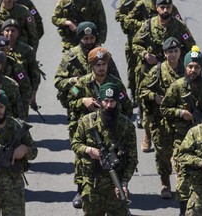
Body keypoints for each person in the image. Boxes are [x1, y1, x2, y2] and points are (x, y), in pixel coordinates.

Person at [160, 46, 202, 216]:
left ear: (201, 68)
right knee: (183, 182)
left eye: (196, 67)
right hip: (182, 141)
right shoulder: (177, 87)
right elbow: (165, 109)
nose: (193, 70)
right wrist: (182, 113)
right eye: (190, 66)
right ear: (185, 67)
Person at [68, 47, 132, 208]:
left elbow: (127, 107)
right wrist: (82, 101)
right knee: (83, 160)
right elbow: (69, 100)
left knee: (113, 160)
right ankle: (82, 190)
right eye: (98, 65)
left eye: (104, 64)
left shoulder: (115, 84)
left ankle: (117, 189)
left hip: (111, 128)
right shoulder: (83, 83)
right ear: (92, 66)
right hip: (87, 128)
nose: (101, 68)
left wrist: (115, 113)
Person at [132, 0, 195, 151]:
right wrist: (145, 54)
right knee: (149, 105)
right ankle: (147, 134)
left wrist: (188, 64)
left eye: (168, 7)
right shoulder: (148, 25)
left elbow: (191, 47)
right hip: (151, 71)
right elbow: (135, 43)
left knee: (176, 102)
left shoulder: (179, 26)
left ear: (172, 7)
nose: (165, 10)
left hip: (174, 69)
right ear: (157, 8)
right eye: (162, 7)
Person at [71, 82, 138, 215]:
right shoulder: (86, 121)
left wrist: (124, 182)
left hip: (116, 185)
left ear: (117, 102)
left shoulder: (126, 126)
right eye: (105, 101)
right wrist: (89, 150)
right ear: (99, 101)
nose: (108, 105)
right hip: (92, 185)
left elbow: (132, 158)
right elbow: (75, 143)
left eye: (112, 101)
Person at [139, 37, 184, 198]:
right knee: (162, 154)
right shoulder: (157, 71)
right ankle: (165, 182)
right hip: (160, 121)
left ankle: (182, 183)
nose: (173, 55)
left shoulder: (187, 70)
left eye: (176, 51)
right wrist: (154, 96)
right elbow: (142, 90)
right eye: (169, 52)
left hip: (181, 120)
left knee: (182, 153)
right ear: (165, 54)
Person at [54, 21, 120, 111]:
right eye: (86, 38)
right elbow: (58, 82)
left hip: (105, 103)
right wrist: (74, 81)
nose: (89, 41)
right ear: (80, 38)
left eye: (92, 38)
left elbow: (116, 81)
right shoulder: (70, 56)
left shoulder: (104, 55)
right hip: (79, 100)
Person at [1, 18, 41, 107]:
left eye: (13, 31)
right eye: (7, 30)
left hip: (21, 91)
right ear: (2, 32)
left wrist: (33, 94)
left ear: (18, 33)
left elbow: (34, 73)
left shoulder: (27, 50)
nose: (10, 34)